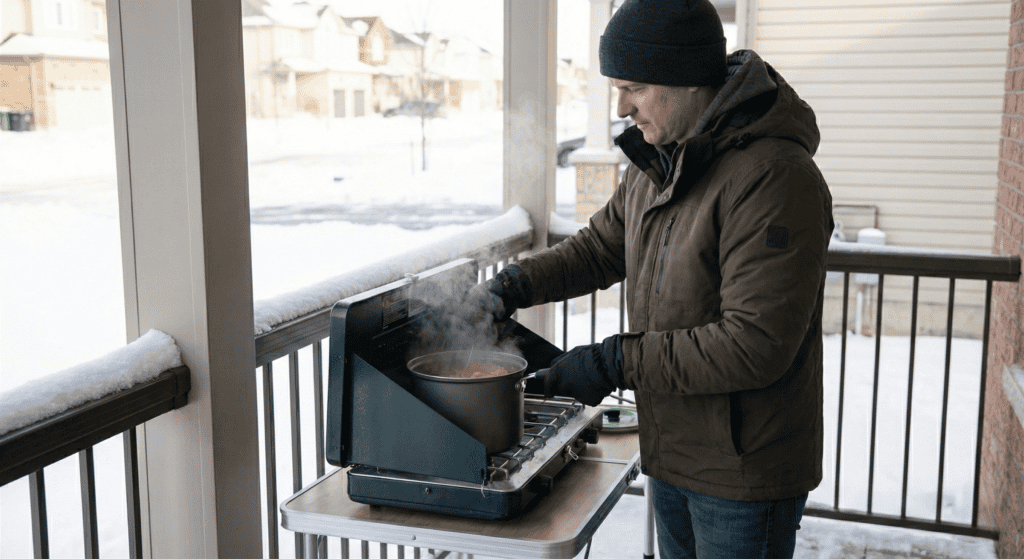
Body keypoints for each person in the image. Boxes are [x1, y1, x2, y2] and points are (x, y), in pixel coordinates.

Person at [477, 0, 834, 557]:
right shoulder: (661, 163)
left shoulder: (773, 178)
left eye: (633, 87)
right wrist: (511, 287)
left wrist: (612, 362)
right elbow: (598, 249)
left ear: (688, 78)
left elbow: (754, 345)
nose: (621, 108)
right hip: (673, 448)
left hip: (742, 471)